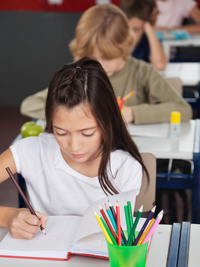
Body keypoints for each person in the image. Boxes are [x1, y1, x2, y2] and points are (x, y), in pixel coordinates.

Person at [0, 57, 148, 239]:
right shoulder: (32, 151)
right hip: (44, 259)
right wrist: (6, 217)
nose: (74, 146)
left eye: (87, 133)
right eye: (61, 133)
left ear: (107, 122)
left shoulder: (125, 167)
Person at [20, 4, 192, 124]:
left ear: (124, 48)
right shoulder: (78, 73)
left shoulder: (141, 72)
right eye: (93, 59)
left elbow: (183, 109)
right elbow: (30, 104)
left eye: (108, 58)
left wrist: (133, 114)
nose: (99, 67)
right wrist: (78, 115)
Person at [119, 0, 167, 70]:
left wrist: (149, 28)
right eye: (126, 28)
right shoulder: (115, 38)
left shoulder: (148, 39)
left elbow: (160, 65)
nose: (130, 35)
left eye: (136, 29)